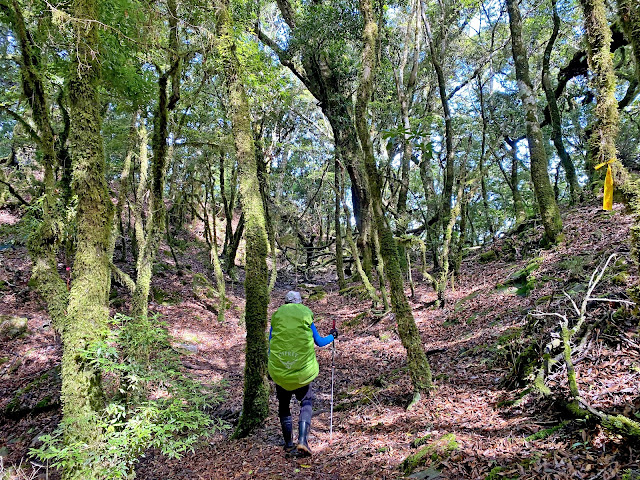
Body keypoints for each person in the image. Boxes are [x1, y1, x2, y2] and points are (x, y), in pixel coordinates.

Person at [268, 290, 338, 457]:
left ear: (285, 303)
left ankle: (288, 443)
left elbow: (271, 344)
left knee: (283, 406)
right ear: (299, 303)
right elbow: (320, 342)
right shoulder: (306, 316)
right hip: (302, 373)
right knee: (306, 403)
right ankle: (302, 441)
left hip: (281, 372)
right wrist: (332, 336)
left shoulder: (277, 319)